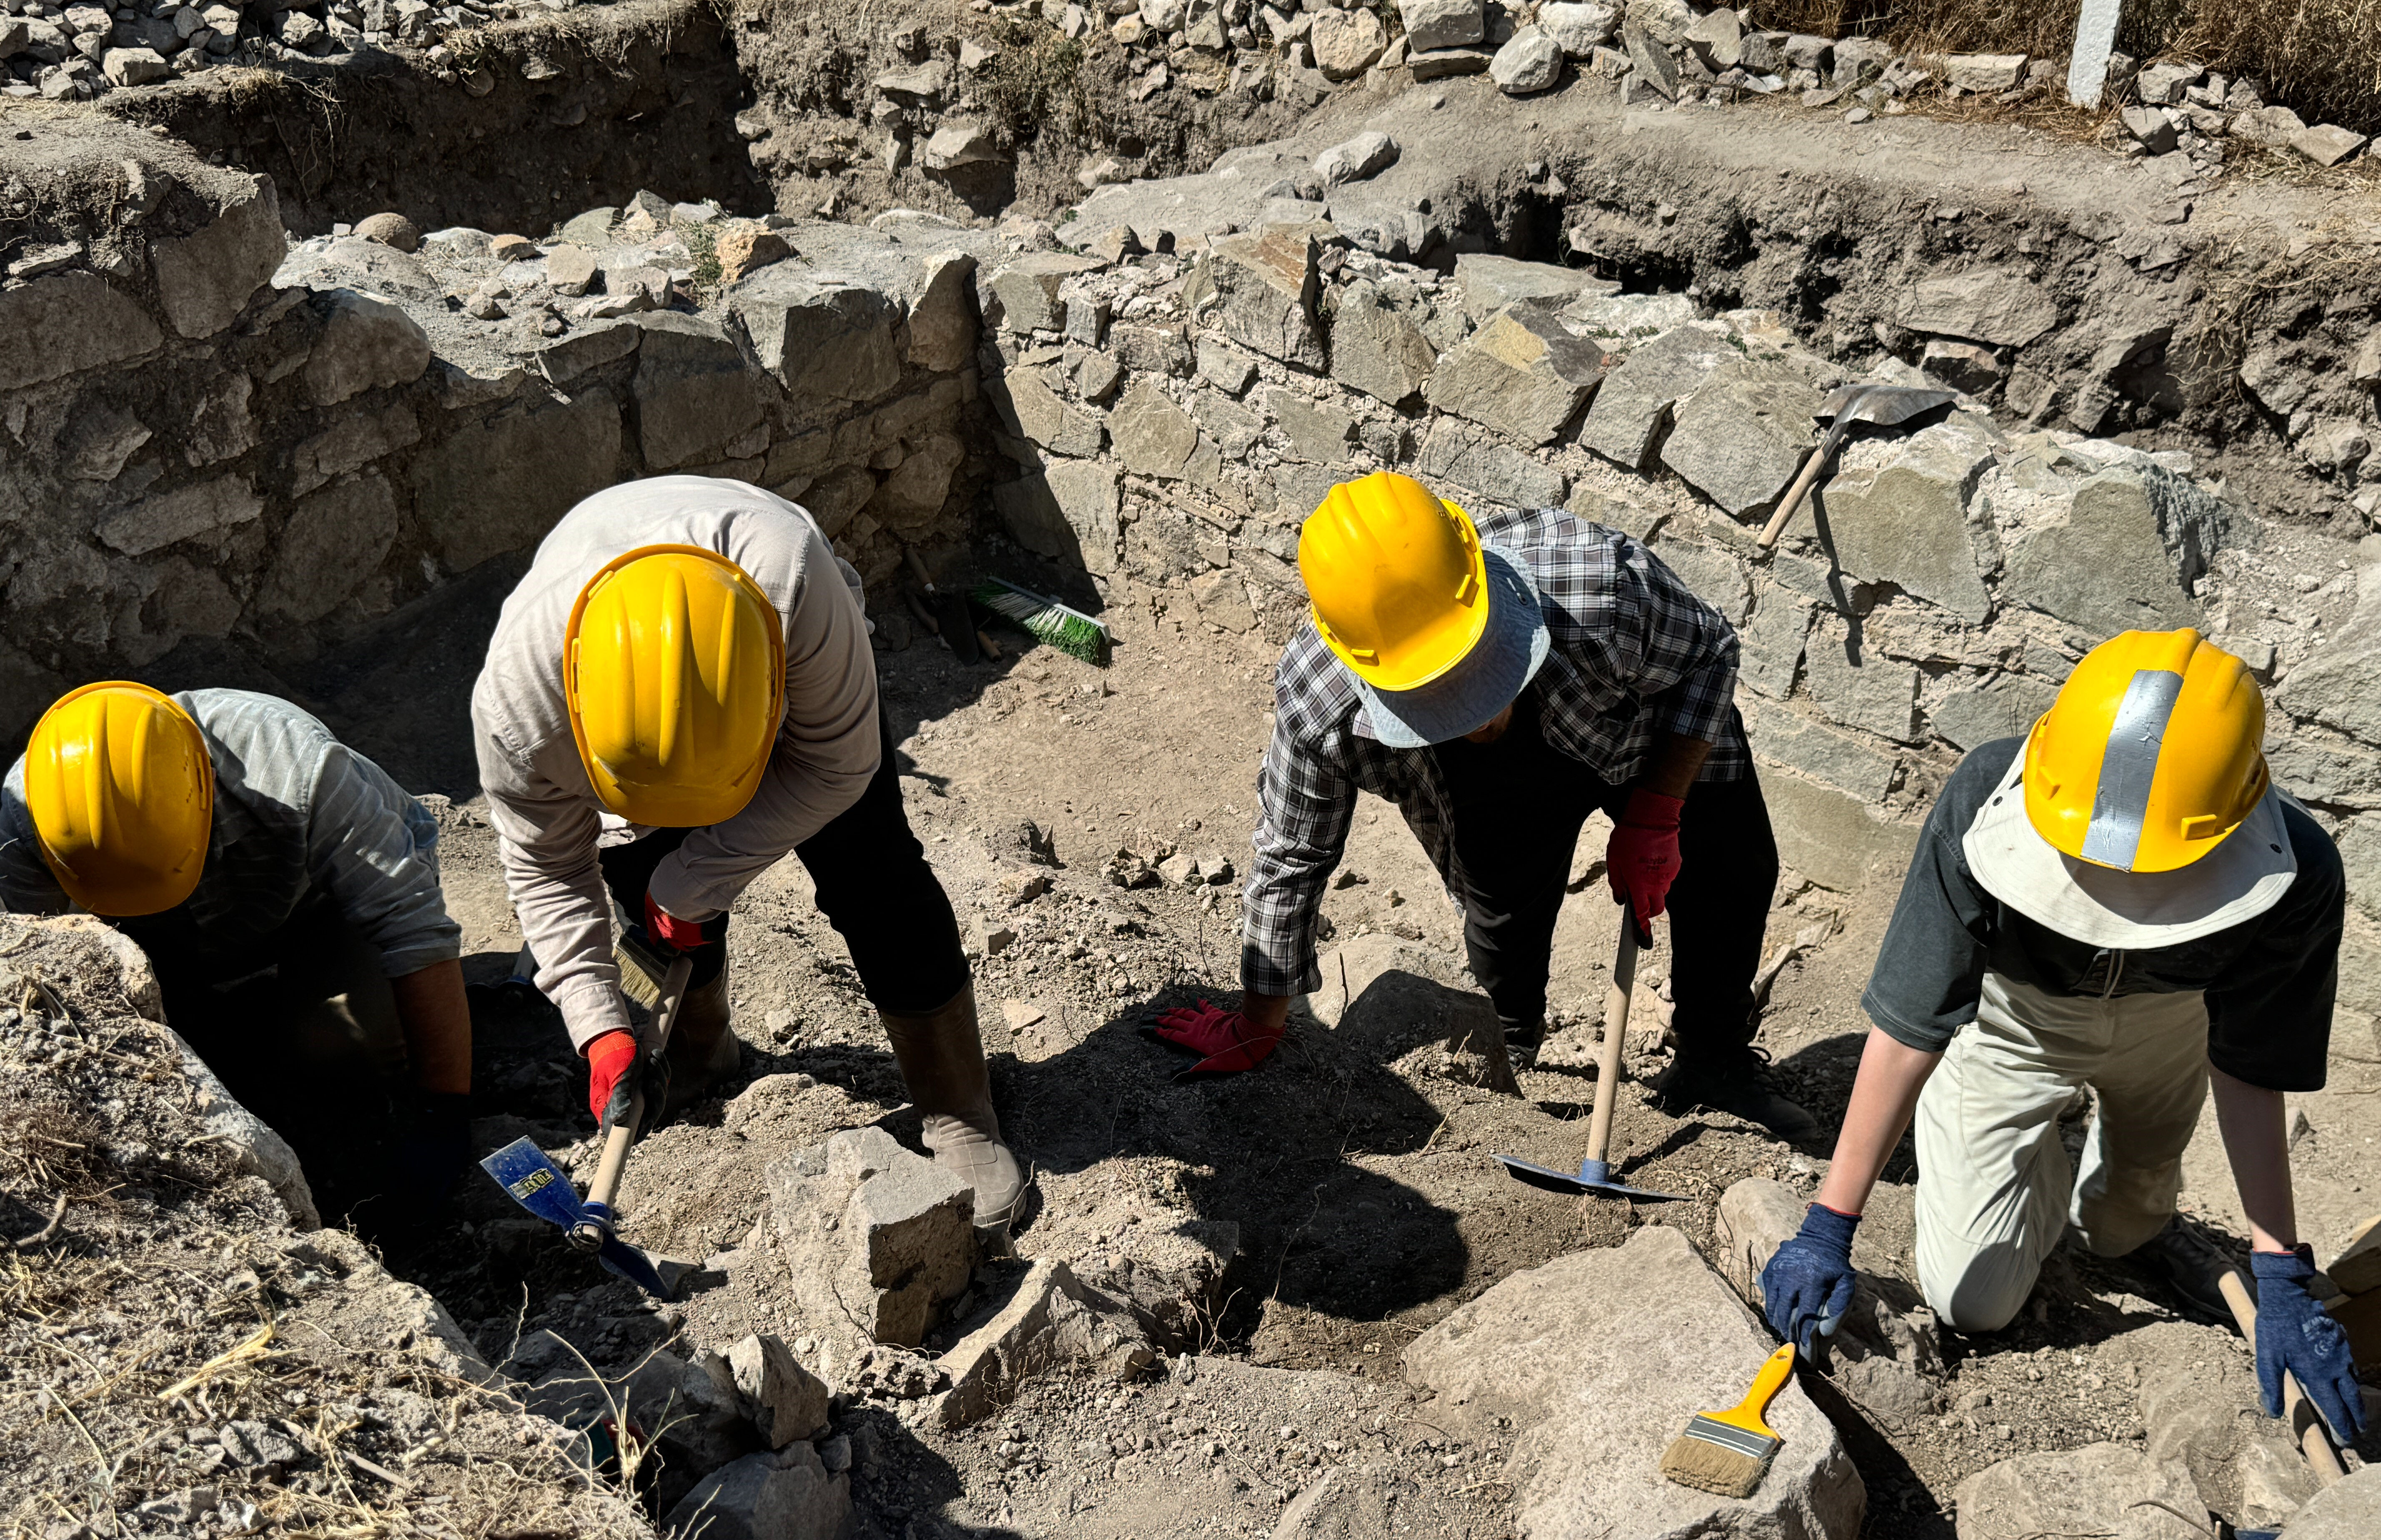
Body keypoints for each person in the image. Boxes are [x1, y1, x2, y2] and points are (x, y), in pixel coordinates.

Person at [1760, 628, 2363, 1445]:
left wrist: (2281, 1270)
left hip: (2174, 1024)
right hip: (2018, 1020)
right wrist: (1830, 1221)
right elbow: (1908, 1025)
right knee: (1974, 1300)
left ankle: (2125, 1203)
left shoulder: (2300, 874)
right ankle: (2014, 1131)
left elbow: (2252, 1065)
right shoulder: (1984, 796)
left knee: (2123, 1230)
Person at [1152, 469, 1814, 1143]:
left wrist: (1657, 808)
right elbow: (1293, 853)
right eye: (1434, 697)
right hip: (1480, 795)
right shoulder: (1323, 700)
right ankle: (1507, 1059)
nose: (1475, 720)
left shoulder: (1591, 583)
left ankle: (1714, 1060)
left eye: (1479, 669)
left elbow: (1709, 651)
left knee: (1732, 870)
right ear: (1366, 666)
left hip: (1650, 728)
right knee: (1502, 918)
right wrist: (1258, 1023)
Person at [470, 475, 1024, 1245]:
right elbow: (546, 872)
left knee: (875, 878)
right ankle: (702, 1053)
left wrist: (693, 877)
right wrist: (599, 1026)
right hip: (612, 685)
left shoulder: (797, 590)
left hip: (786, 664)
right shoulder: (520, 715)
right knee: (640, 888)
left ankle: (961, 1107)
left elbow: (839, 767)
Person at [0, 682, 472, 1218]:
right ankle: (230, 1021)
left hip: (315, 906)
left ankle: (314, 1035)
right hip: (165, 941)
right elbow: (47, 974)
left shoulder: (300, 769)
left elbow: (414, 933)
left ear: (205, 793)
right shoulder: (26, 822)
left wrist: (445, 1113)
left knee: (340, 1043)